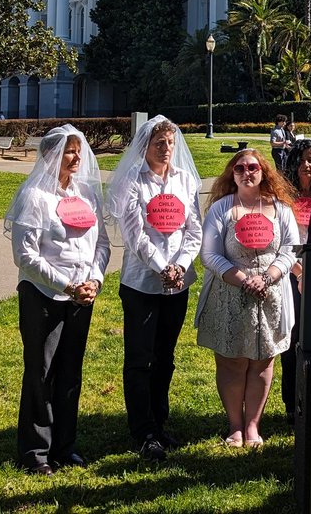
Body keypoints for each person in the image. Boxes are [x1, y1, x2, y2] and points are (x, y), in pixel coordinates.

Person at [5, 125, 110, 474]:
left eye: (80, 150)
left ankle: (65, 446)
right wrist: (67, 286)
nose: (77, 157)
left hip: (82, 295)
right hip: (45, 296)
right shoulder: (35, 196)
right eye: (69, 151)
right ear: (51, 155)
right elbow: (26, 256)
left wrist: (94, 279)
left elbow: (103, 244)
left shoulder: (85, 195)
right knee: (42, 372)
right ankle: (36, 452)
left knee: (70, 373)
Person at [106, 116, 204, 462]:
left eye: (170, 143)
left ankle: (160, 422)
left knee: (165, 356)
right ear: (145, 147)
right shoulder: (133, 182)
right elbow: (135, 235)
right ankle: (143, 429)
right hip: (142, 283)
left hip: (177, 284)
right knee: (139, 358)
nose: (165, 149)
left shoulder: (184, 180)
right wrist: (162, 267)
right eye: (159, 143)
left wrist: (180, 266)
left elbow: (194, 230)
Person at [196, 149, 299, 447]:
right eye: (239, 168)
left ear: (264, 171)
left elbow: (290, 248)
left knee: (263, 362)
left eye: (253, 167)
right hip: (230, 295)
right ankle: (235, 425)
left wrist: (267, 277)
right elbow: (210, 254)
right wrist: (242, 279)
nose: (246, 172)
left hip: (270, 296)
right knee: (231, 361)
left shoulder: (280, 209)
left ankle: (253, 425)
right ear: (232, 173)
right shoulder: (221, 209)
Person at [279, 138, 311, 424]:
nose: (306, 165)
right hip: (290, 272)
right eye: (300, 159)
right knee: (292, 339)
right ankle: (291, 403)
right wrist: (297, 270)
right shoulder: (283, 196)